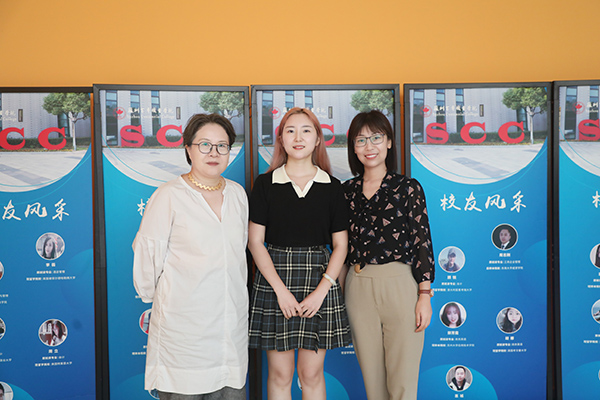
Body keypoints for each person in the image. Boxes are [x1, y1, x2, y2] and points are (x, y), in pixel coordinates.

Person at [133, 114, 249, 400]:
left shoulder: (237, 195)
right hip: (184, 331)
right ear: (188, 148)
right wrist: (161, 299)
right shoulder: (169, 195)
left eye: (222, 146)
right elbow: (148, 257)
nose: (214, 153)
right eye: (205, 145)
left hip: (230, 329)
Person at [248, 107, 350, 400]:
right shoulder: (266, 184)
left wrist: (322, 292)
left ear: (317, 139)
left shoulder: (332, 187)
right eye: (290, 131)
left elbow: (341, 246)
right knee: (280, 374)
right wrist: (280, 291)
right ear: (281, 139)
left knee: (311, 374)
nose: (298, 137)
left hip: (319, 280)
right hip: (274, 280)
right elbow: (255, 242)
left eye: (306, 131)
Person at [343, 110, 434, 400]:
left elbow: (422, 242)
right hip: (358, 286)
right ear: (353, 147)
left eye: (376, 138)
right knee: (373, 383)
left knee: (402, 382)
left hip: (400, 285)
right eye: (361, 140)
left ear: (389, 142)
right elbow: (341, 248)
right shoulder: (346, 192)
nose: (369, 146)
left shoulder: (407, 188)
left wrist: (424, 294)